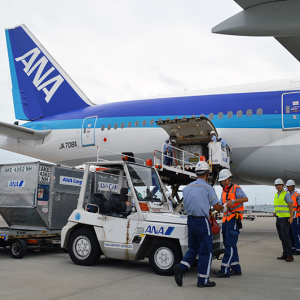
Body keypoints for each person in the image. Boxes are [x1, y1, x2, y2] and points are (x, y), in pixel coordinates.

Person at [174, 161, 232, 288]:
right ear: (207, 173)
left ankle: (181, 267)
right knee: (206, 251)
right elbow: (216, 205)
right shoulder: (207, 188)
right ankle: (203, 280)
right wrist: (225, 209)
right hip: (202, 221)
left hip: (190, 221)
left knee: (193, 248)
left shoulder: (187, 188)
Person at [213, 169, 248, 278]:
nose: (223, 182)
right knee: (231, 246)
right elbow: (221, 204)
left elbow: (245, 198)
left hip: (234, 219)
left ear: (230, 179)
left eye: (224, 180)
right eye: (221, 180)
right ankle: (236, 268)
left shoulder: (236, 189)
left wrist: (233, 201)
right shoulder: (224, 191)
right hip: (226, 220)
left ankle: (225, 270)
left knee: (229, 246)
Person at [273, 178, 294, 262]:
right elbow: (277, 205)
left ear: (283, 186)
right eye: (277, 185)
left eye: (280, 185)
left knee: (285, 237)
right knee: (281, 236)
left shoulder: (286, 194)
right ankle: (285, 254)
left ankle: (290, 255)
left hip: (285, 219)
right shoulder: (276, 194)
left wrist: (291, 217)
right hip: (278, 218)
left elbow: (290, 205)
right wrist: (275, 212)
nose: (278, 186)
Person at [286, 180, 300, 255]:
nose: (287, 188)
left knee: (296, 233)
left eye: (289, 186)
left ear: (293, 187)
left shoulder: (297, 195)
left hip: (296, 218)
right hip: (290, 217)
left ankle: (299, 249)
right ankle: (293, 248)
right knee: (290, 233)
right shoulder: (288, 195)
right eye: (287, 186)